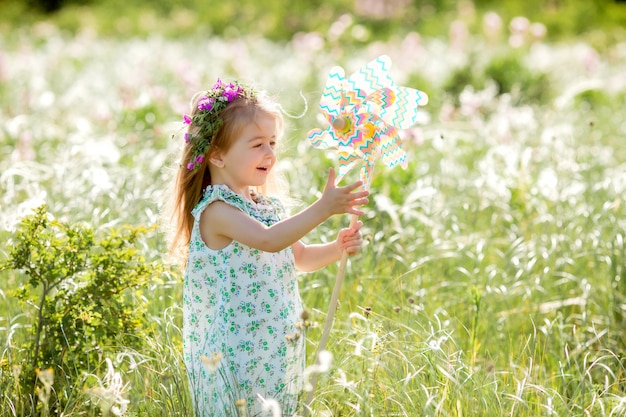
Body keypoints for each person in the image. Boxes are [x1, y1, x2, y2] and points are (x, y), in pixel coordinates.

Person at [167, 78, 369, 417]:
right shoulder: (217, 211)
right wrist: (323, 208)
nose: (270, 154)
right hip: (236, 353)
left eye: (273, 143)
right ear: (216, 154)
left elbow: (299, 256)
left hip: (275, 343)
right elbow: (268, 240)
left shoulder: (266, 205)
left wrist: (337, 248)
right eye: (258, 144)